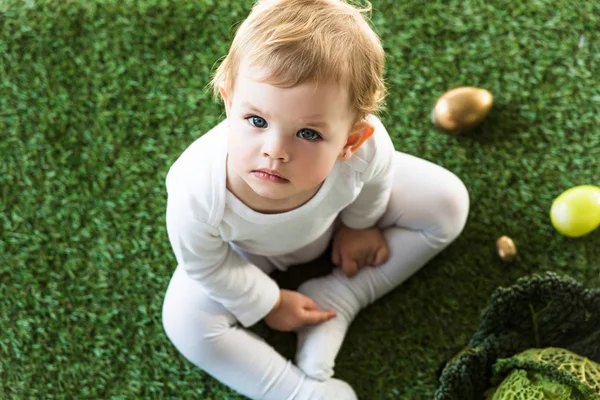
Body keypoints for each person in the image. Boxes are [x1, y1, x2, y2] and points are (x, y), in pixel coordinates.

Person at [161, 0, 470, 399]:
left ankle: (343, 294)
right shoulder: (196, 189)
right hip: (245, 253)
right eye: (256, 121)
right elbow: (204, 262)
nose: (274, 151)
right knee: (186, 324)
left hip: (336, 221)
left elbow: (377, 180)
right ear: (229, 101)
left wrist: (362, 224)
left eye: (308, 133)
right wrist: (268, 301)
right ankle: (296, 393)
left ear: (350, 139)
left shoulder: (365, 151)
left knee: (448, 203)